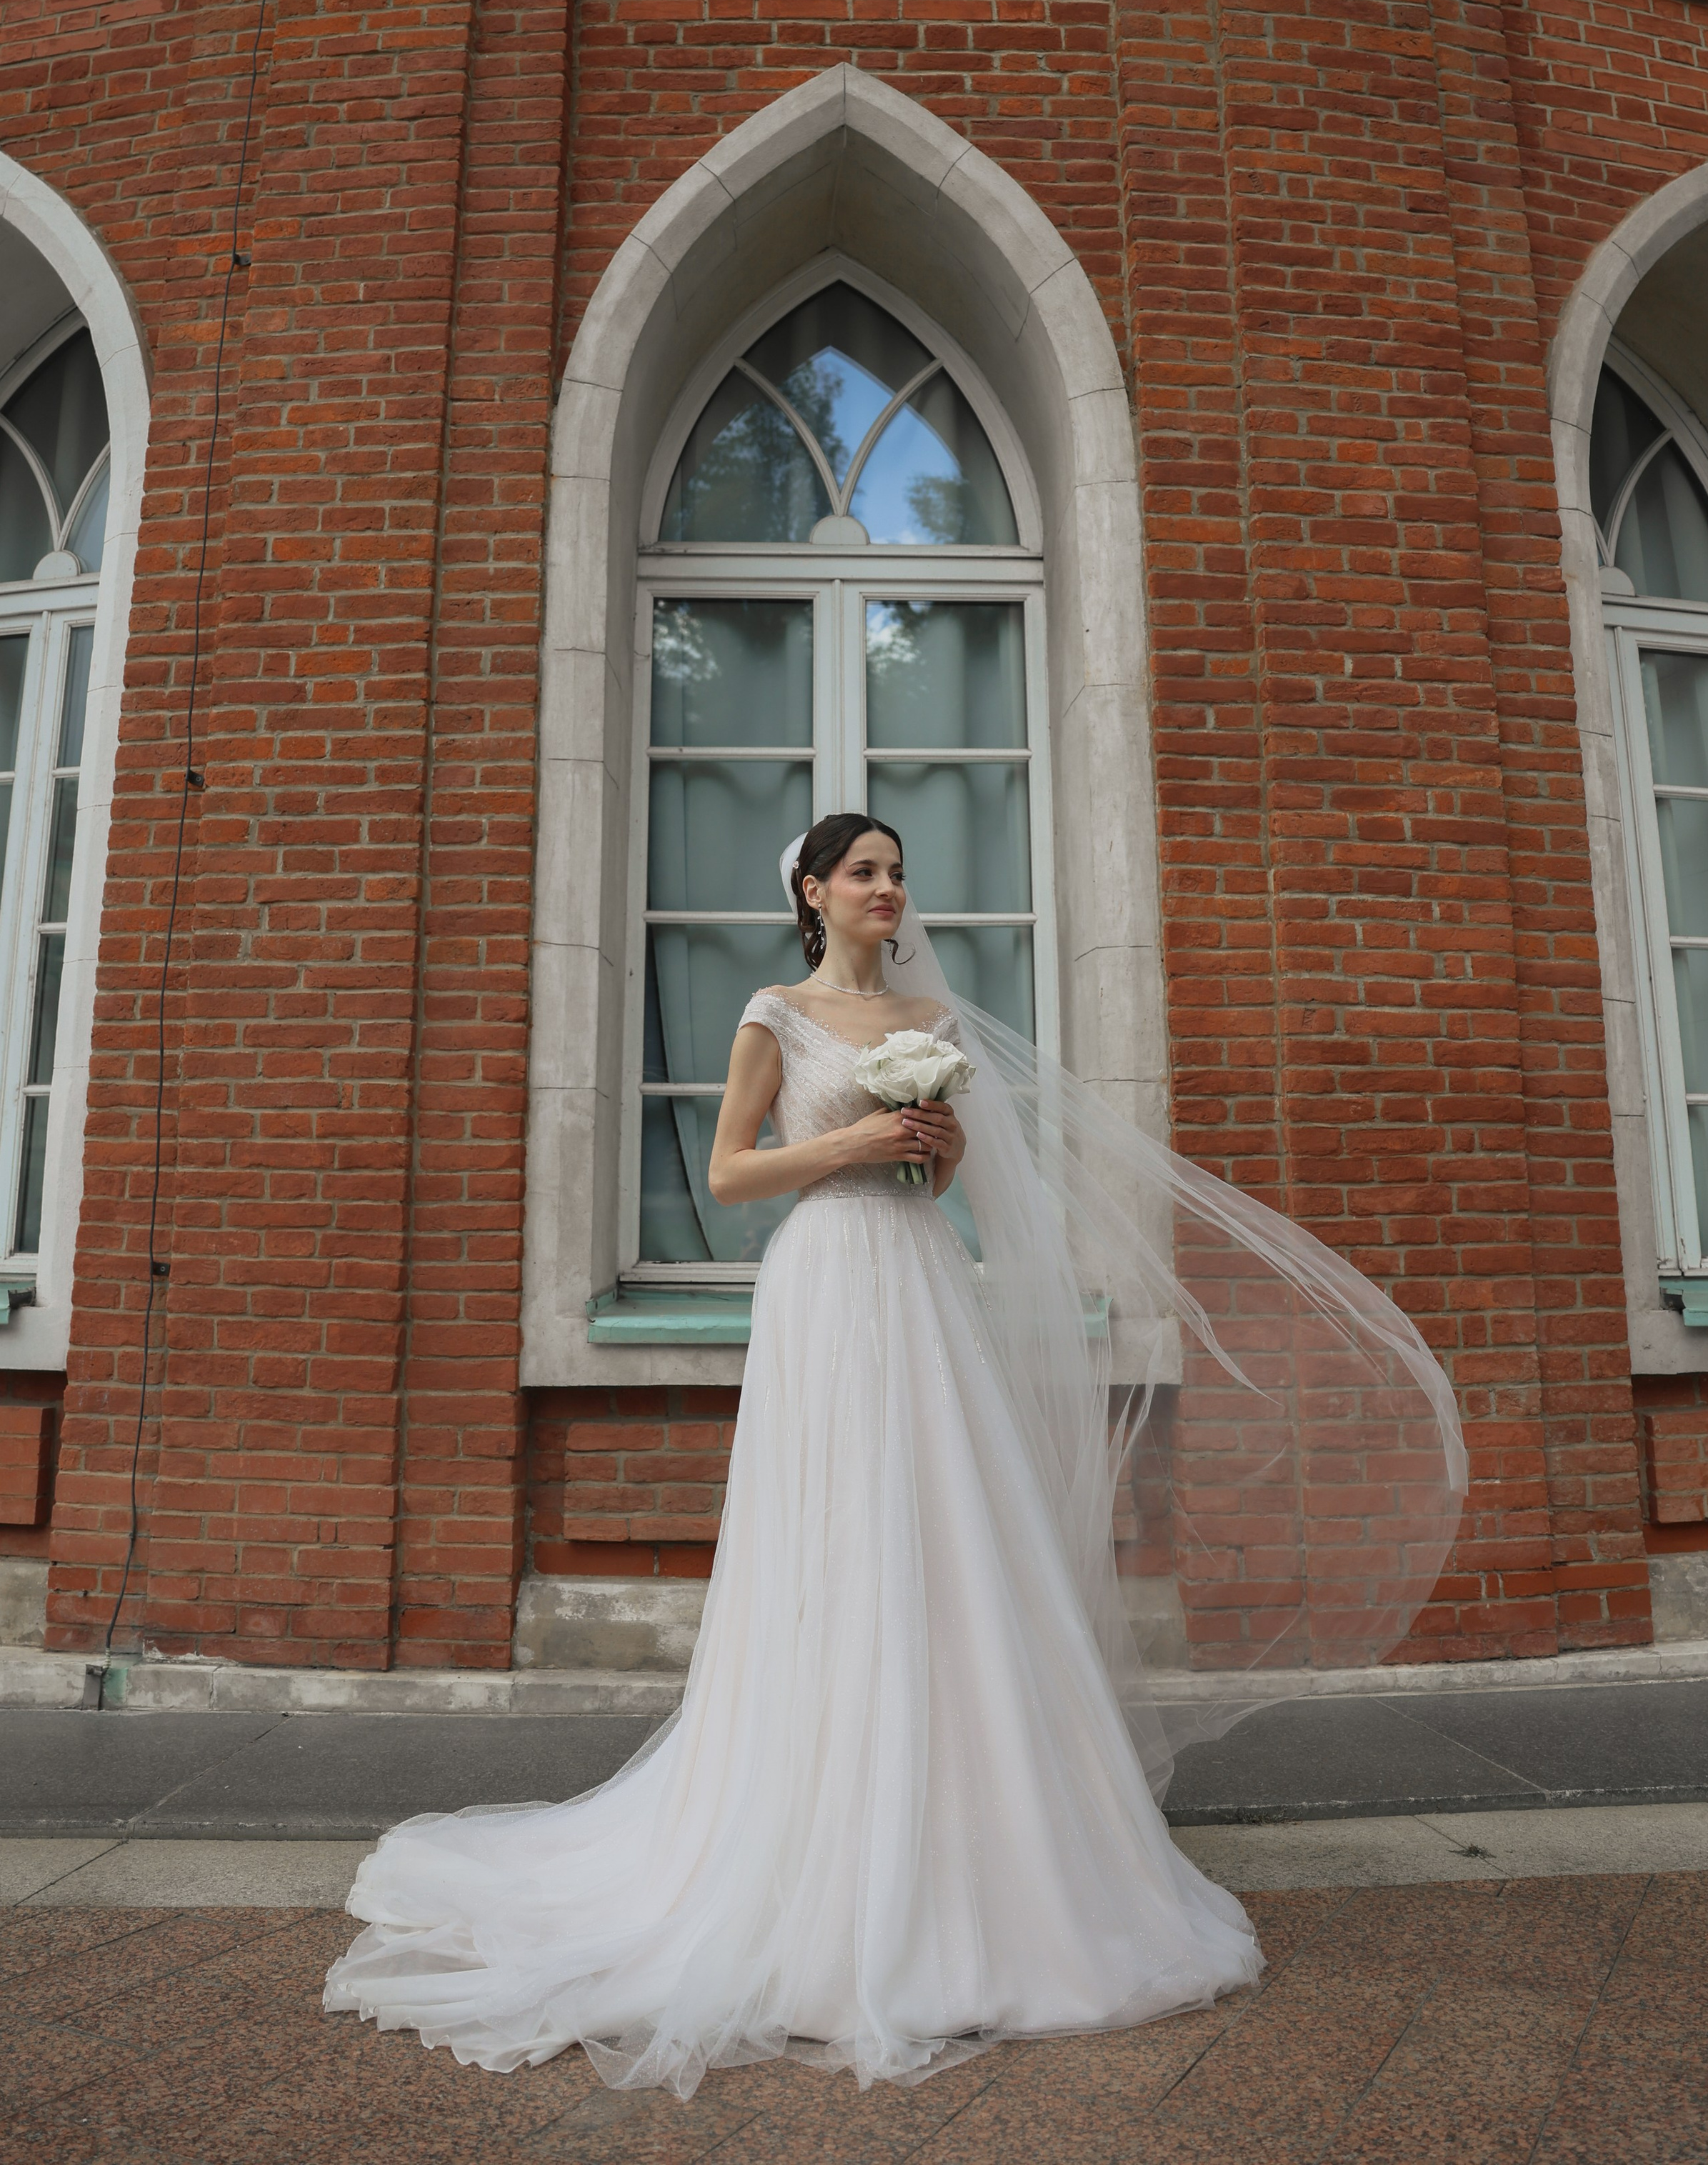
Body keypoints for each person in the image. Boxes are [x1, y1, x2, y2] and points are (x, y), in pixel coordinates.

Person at [324, 814, 1466, 2096]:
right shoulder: (775, 1012)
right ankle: (812, 1839)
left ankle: (994, 1847)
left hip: (923, 1282)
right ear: (813, 892)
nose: (888, 887)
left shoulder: (935, 1020)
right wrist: (858, 1144)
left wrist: (934, 1142)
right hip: (825, 1283)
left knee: (949, 1533)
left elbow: (958, 1180)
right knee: (836, 1538)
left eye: (897, 870)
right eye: (863, 871)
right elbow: (733, 1172)